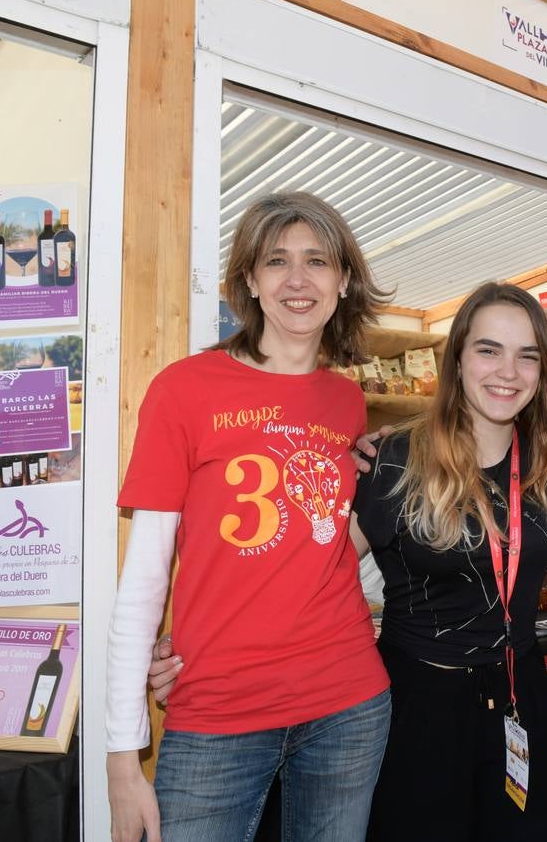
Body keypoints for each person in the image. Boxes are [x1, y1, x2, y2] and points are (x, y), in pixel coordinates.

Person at [106, 191, 393, 842]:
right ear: (250, 283)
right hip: (217, 713)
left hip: (347, 702)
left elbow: (324, 546)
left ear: (343, 282)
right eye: (276, 261)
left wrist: (380, 490)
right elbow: (143, 583)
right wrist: (122, 760)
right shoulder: (184, 390)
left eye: (318, 261)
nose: (298, 279)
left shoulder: (346, 402)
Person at [354, 282, 547, 841]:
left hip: (520, 697)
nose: (508, 371)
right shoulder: (396, 458)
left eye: (527, 355)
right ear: (456, 359)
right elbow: (318, 578)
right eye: (488, 350)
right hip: (422, 707)